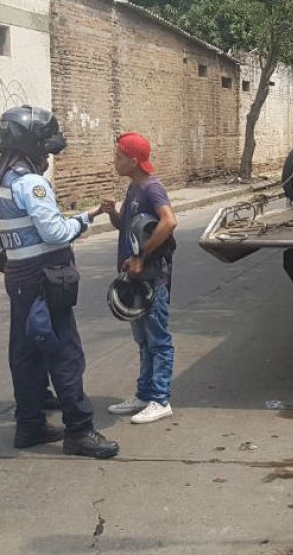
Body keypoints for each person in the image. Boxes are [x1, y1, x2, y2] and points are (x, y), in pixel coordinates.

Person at [0, 105, 119, 459]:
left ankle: (29, 425)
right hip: (44, 282)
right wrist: (83, 222)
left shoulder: (3, 180)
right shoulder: (32, 184)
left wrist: (87, 212)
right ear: (31, 145)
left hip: (19, 281)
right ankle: (79, 431)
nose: (47, 156)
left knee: (26, 354)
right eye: (45, 148)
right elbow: (55, 232)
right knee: (65, 355)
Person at [103, 133, 179, 424]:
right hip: (134, 278)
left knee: (158, 339)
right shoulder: (134, 188)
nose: (115, 162)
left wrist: (141, 256)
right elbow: (125, 225)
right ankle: (144, 394)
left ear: (133, 161)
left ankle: (160, 399)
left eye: (119, 158)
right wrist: (112, 214)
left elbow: (169, 221)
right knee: (143, 340)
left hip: (151, 278)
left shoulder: (152, 188)